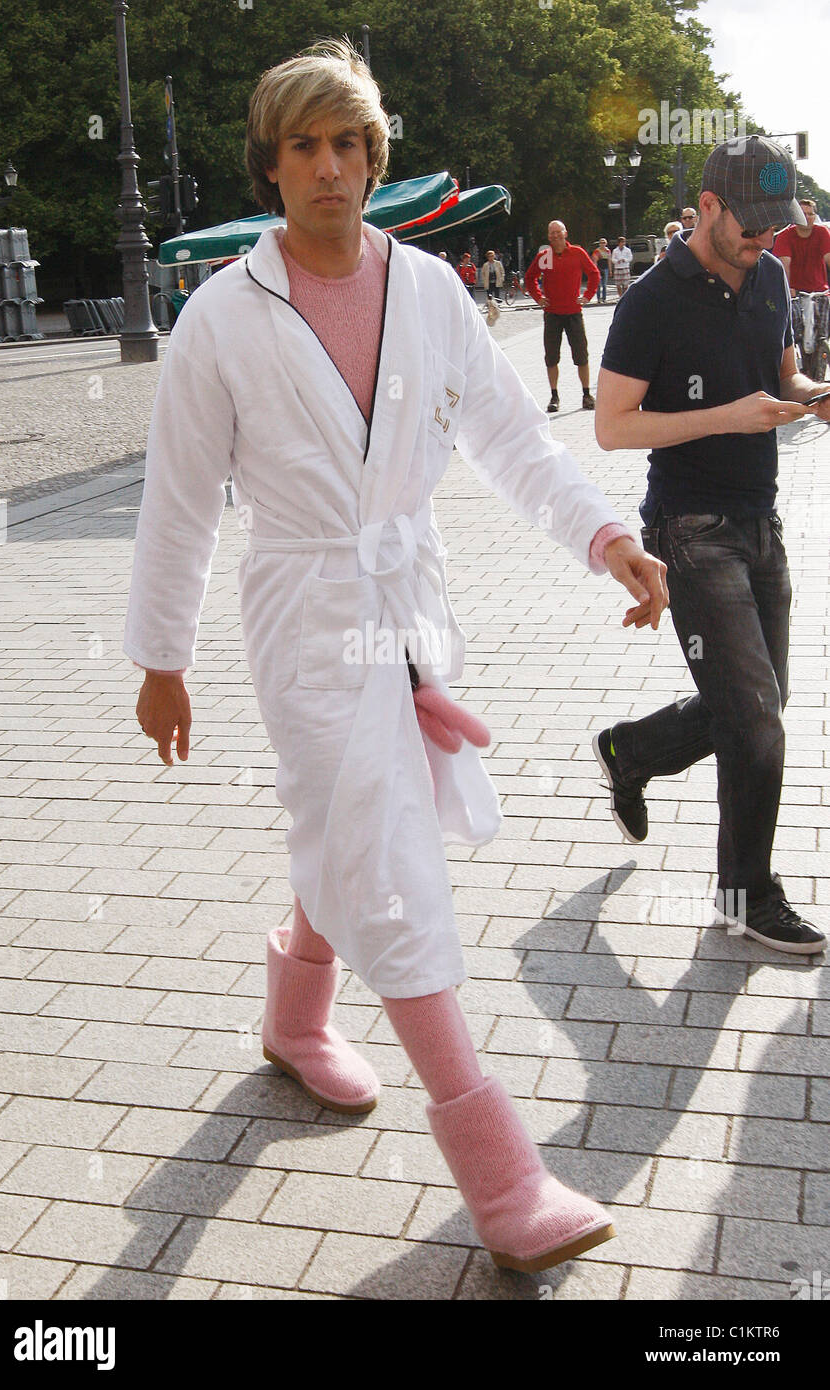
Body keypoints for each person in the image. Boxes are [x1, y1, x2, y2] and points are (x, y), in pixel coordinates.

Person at [123, 37, 668, 1274]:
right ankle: (502, 1173)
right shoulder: (219, 317)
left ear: (376, 157)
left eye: (348, 144)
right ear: (271, 166)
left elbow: (510, 441)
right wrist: (161, 654)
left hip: (407, 605)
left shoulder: (426, 288)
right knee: (382, 852)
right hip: (306, 616)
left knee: (358, 819)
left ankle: (295, 1018)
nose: (329, 167)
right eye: (304, 146)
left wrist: (600, 534)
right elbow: (178, 502)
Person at [593, 135, 828, 956]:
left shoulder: (770, 275)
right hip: (688, 528)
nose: (768, 238)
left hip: (760, 520)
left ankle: (631, 749)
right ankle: (746, 896)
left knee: (761, 704)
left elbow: (786, 373)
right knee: (755, 715)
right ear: (708, 210)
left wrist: (815, 396)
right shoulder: (651, 301)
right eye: (754, 222)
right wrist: (728, 415)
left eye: (780, 221)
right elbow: (611, 427)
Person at [524, 221, 600, 412]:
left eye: (559, 232)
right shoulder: (544, 256)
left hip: (574, 313)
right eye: (552, 233)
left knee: (581, 355)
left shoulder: (577, 253)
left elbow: (594, 273)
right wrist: (538, 298)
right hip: (552, 315)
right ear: (548, 236)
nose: (556, 236)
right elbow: (530, 277)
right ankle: (554, 396)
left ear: (565, 233)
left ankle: (586, 394)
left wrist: (587, 296)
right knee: (551, 357)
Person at [773, 197, 830, 293]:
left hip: (820, 292)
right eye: (803, 214)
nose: (806, 217)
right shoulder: (785, 235)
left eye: (810, 214)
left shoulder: (822, 232)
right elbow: (784, 265)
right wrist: (786, 290)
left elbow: (828, 258)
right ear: (795, 215)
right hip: (795, 292)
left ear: (815, 217)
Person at [593, 238, 611, 303]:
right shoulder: (597, 251)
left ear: (606, 243)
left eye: (604, 243)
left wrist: (610, 270)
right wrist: (595, 270)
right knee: (598, 285)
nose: (602, 244)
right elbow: (595, 261)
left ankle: (604, 298)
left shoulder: (608, 251)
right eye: (601, 243)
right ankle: (598, 299)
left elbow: (609, 260)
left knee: (604, 285)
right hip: (599, 268)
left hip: (606, 268)